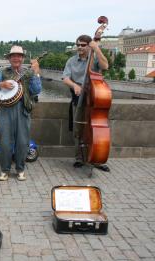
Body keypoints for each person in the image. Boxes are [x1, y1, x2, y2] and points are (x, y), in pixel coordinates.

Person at [0, 46, 42, 181]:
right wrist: (1, 85)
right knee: (4, 141)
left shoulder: (29, 73)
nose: (16, 58)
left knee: (22, 142)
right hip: (6, 111)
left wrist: (36, 73)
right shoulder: (2, 73)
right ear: (9, 59)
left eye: (19, 56)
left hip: (23, 110)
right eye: (13, 56)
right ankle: (5, 170)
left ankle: (20, 169)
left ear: (22, 58)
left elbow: (36, 90)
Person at [62, 34, 110, 172]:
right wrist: (74, 86)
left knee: (97, 128)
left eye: (83, 45)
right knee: (78, 129)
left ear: (89, 46)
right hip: (79, 98)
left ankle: (97, 158)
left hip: (95, 98)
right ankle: (79, 158)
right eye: (78, 45)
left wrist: (97, 49)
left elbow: (105, 66)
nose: (79, 47)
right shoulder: (71, 61)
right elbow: (65, 77)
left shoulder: (94, 59)